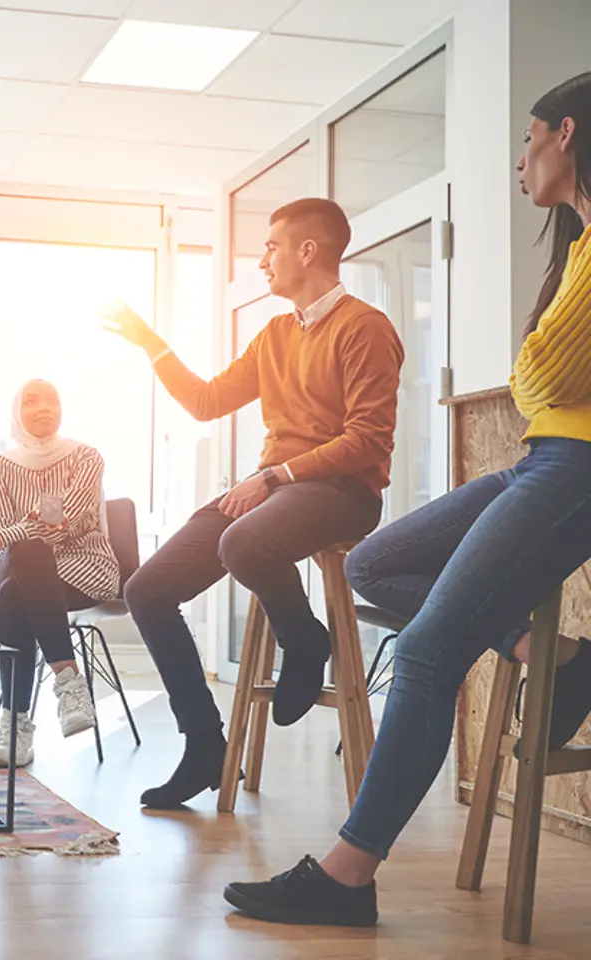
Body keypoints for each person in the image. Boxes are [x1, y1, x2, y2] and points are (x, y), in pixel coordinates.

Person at [224, 71, 591, 930]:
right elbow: (539, 378)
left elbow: (538, 372)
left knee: (425, 653)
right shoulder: (575, 249)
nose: (520, 161)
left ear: (566, 135)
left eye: (528, 140)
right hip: (541, 457)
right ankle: (558, 656)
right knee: (379, 563)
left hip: (576, 466)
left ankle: (349, 876)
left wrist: (539, 366)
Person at [102, 197, 404, 809]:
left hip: (344, 493)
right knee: (147, 590)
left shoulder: (364, 327)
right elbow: (208, 401)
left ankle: (305, 639)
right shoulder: (274, 335)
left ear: (307, 251)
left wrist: (275, 477)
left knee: (241, 542)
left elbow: (367, 439)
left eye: (271, 246)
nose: (263, 259)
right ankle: (205, 745)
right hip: (277, 488)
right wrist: (151, 344)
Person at [0, 379, 118, 768]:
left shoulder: (86, 457)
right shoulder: (0, 468)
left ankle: (15, 724)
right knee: (26, 563)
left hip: (83, 566)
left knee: (17, 587)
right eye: (31, 401)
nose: (43, 407)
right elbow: (25, 535)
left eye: (52, 399)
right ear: (18, 412)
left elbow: (61, 520)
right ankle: (68, 683)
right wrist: (18, 530)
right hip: (27, 566)